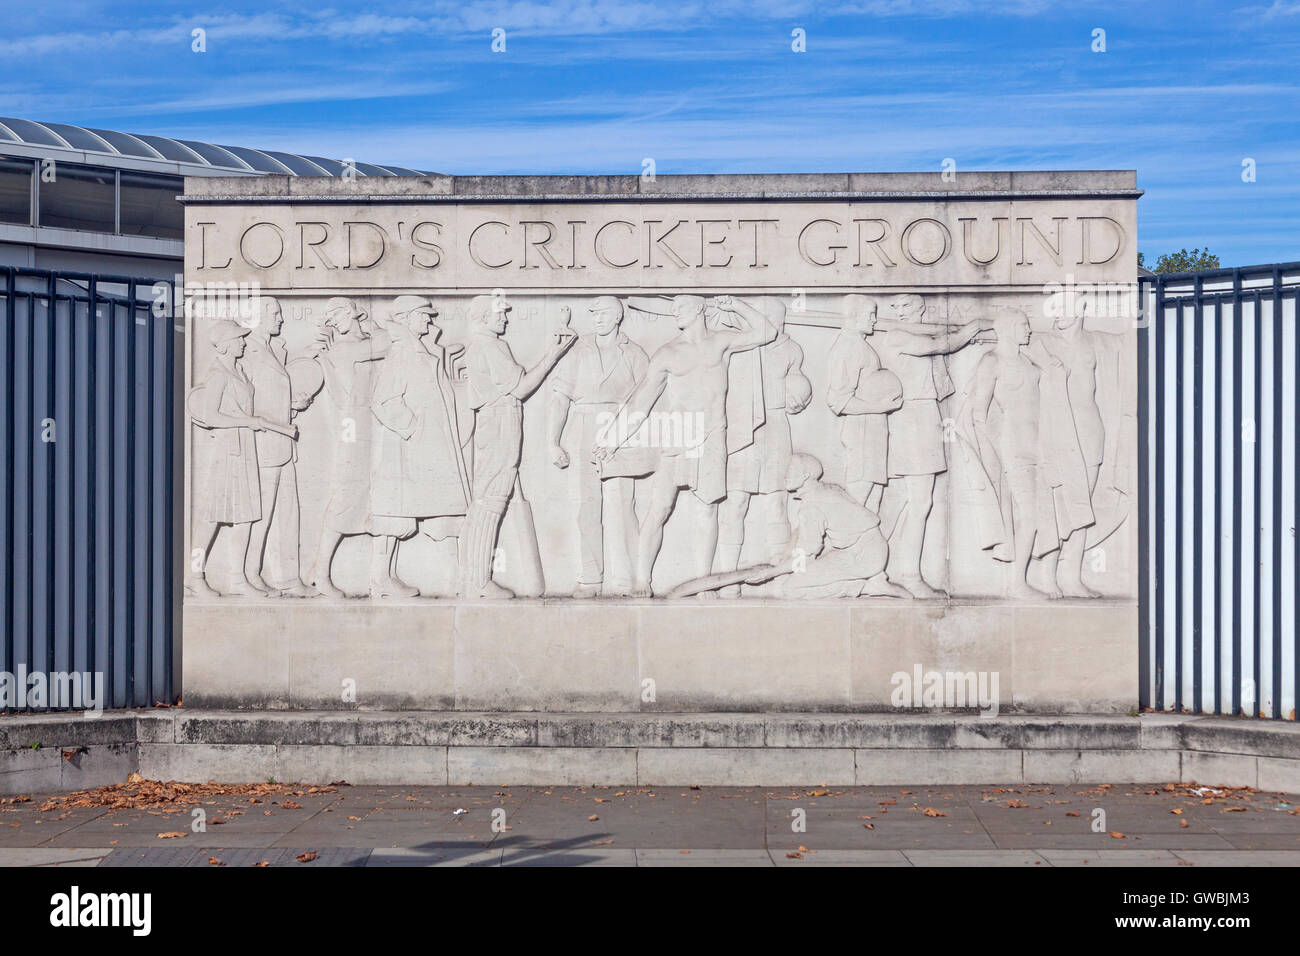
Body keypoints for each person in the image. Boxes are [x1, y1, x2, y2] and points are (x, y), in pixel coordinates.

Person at [594, 294, 777, 597]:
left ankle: (702, 583)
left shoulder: (720, 342)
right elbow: (642, 403)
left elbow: (766, 332)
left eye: (682, 306)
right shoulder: (668, 354)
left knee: (707, 509)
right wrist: (614, 440)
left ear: (700, 309)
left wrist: (736, 305)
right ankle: (643, 579)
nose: (675, 311)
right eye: (673, 306)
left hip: (712, 435)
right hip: (679, 434)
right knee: (660, 507)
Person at [873, 293, 988, 598]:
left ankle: (877, 569)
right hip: (912, 416)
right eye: (894, 306)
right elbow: (939, 345)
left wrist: (963, 335)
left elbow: (940, 342)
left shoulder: (920, 332)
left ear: (921, 306)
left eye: (906, 305)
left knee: (907, 502)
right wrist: (973, 328)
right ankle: (907, 574)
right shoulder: (897, 336)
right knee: (920, 502)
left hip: (923, 415)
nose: (899, 311)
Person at [461, 293, 575, 598]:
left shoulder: (483, 345)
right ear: (485, 317)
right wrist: (554, 353)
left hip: (498, 420)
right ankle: (478, 582)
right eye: (500, 314)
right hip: (499, 421)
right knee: (491, 500)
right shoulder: (490, 345)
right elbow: (522, 387)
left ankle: (475, 579)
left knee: (489, 499)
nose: (506, 318)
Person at [369, 296, 472, 598]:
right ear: (406, 317)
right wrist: (412, 428)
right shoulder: (402, 353)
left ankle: (456, 578)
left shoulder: (423, 351)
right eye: (423, 316)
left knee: (447, 512)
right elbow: (383, 401)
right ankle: (380, 579)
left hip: (434, 447)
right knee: (393, 516)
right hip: (409, 449)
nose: (428, 321)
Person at [187, 319, 297, 598]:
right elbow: (210, 416)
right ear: (225, 345)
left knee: (246, 517)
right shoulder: (218, 374)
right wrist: (248, 421)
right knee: (213, 517)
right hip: (228, 449)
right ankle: (194, 575)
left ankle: (237, 578)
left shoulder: (237, 370)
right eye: (238, 339)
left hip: (245, 448)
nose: (244, 342)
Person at [547, 296, 648, 597]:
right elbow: (560, 397)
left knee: (622, 506)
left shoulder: (635, 353)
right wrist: (553, 441)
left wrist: (625, 434)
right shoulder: (579, 351)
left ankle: (626, 579)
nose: (598, 319)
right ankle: (590, 578)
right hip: (584, 425)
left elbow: (646, 400)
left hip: (621, 427)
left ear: (618, 317)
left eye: (603, 314)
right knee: (586, 506)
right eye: (594, 315)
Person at [716, 297, 813, 597]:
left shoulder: (790, 348)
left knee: (777, 503)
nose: (776, 323)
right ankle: (727, 579)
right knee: (735, 503)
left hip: (775, 427)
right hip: (742, 427)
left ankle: (780, 576)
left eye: (777, 317)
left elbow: (797, 382)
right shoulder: (740, 345)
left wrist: (800, 396)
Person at [305, 297, 390, 597]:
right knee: (346, 494)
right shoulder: (344, 349)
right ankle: (320, 571)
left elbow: (382, 341)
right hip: (353, 426)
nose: (334, 318)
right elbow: (385, 343)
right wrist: (367, 324)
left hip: (376, 422)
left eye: (339, 312)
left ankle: (383, 577)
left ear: (354, 311)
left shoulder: (364, 341)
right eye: (330, 315)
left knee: (382, 496)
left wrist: (368, 322)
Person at [240, 296, 316, 597]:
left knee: (287, 513)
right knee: (261, 514)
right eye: (275, 313)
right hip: (263, 445)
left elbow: (273, 392)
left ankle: (288, 578)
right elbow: (242, 399)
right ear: (257, 316)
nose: (280, 319)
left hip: (283, 444)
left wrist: (294, 404)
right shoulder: (247, 352)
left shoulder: (276, 349)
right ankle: (250, 573)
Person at [825, 294, 903, 510]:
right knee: (858, 500)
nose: (874, 320)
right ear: (854, 316)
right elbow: (837, 400)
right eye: (870, 314)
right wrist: (881, 407)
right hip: (862, 431)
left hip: (874, 431)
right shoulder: (848, 346)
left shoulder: (859, 344)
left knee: (873, 500)